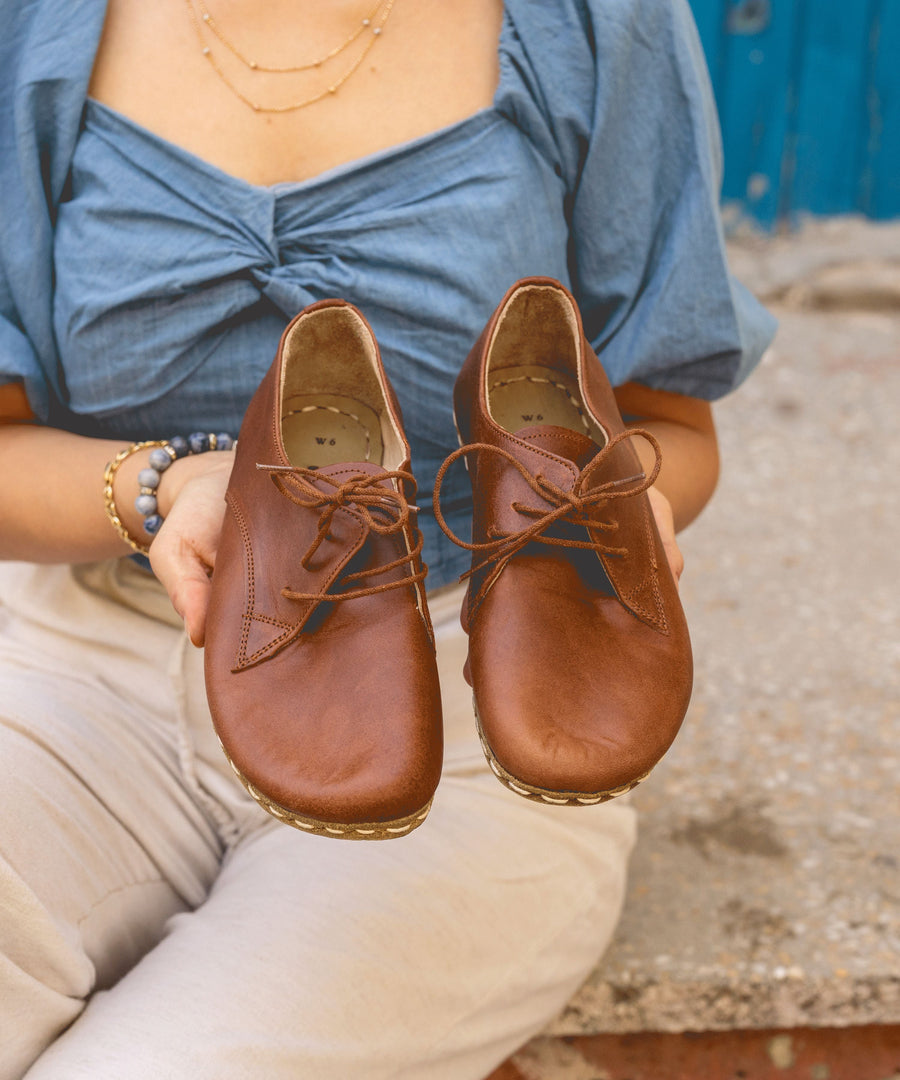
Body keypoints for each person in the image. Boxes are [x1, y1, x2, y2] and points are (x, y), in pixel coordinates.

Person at [0, 0, 775, 1077]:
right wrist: (162, 486)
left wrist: (616, 505)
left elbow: (674, 431)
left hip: (480, 712)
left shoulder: (594, 21)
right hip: (83, 678)